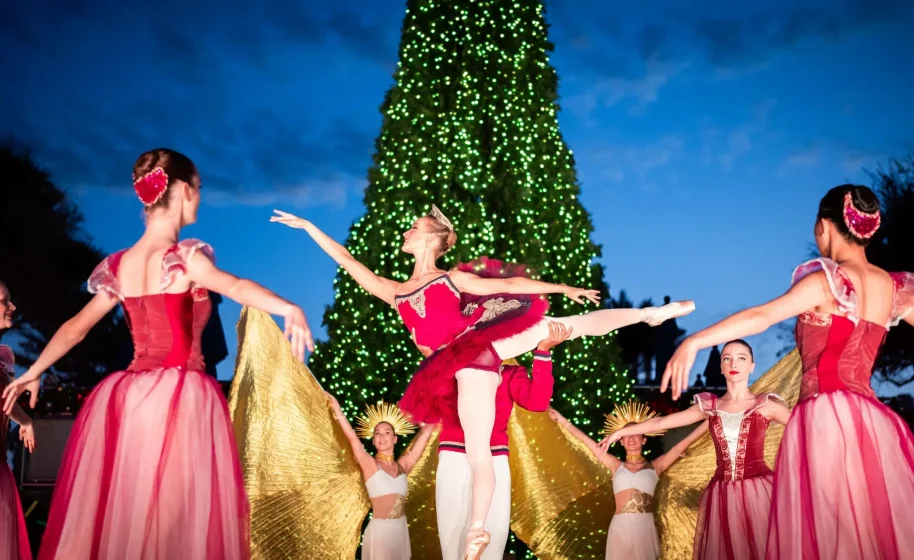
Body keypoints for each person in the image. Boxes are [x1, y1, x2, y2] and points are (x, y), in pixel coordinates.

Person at [272, 206, 694, 558]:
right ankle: (477, 530)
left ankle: (649, 315)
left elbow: (509, 284)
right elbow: (348, 261)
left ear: (432, 238)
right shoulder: (395, 291)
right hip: (448, 367)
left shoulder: (451, 278)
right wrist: (310, 228)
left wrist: (562, 286)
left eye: (414, 227)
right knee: (476, 445)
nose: (407, 230)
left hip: (475, 352)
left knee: (563, 327)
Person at [2, 149, 313, 560]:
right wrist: (288, 307)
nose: (199, 197)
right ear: (183, 190)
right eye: (198, 188)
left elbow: (78, 326)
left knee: (131, 514)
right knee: (175, 520)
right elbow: (233, 285)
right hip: (179, 396)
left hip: (129, 399)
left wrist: (34, 369)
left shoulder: (120, 265)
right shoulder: (181, 257)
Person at [661, 185, 914, 560]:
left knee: (829, 534)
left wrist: (694, 341)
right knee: (869, 531)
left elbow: (762, 317)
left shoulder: (826, 281)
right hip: (873, 421)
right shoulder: (895, 288)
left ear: (824, 227)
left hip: (825, 415)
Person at [605, 340, 791, 560]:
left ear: (752, 365)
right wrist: (620, 433)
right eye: (727, 358)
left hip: (759, 491)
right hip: (721, 494)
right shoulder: (710, 407)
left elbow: (805, 427)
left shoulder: (765, 405)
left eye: (742, 358)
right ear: (720, 367)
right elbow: (663, 422)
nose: (734, 363)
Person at [436, 321, 569, 560]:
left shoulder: (509, 374)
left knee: (492, 538)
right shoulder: (453, 367)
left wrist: (543, 352)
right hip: (455, 456)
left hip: (494, 459)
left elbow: (537, 402)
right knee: (453, 542)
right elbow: (434, 395)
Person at [551, 399, 703, 560]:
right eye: (626, 435)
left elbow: (685, 443)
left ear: (644, 439)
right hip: (620, 528)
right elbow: (585, 441)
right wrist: (561, 420)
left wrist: (710, 423)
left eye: (635, 434)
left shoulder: (656, 466)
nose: (630, 439)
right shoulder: (615, 466)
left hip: (645, 528)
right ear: (620, 440)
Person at [326, 397, 435, 560]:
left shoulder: (402, 466)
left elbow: (425, 436)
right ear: (373, 439)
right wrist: (338, 411)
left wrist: (428, 421)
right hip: (380, 534)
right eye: (377, 433)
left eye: (387, 433)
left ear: (395, 438)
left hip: (400, 532)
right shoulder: (370, 464)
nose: (382, 437)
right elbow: (352, 439)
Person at [1, 282, 35, 560]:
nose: (12, 307)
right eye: (4, 301)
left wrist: (24, 420)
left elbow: (4, 400)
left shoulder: (3, 357)